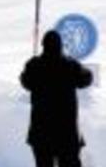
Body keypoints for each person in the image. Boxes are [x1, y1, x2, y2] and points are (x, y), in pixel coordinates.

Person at [20, 30, 93, 167]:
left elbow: (25, 81)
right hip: (67, 133)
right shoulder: (70, 65)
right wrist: (80, 67)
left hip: (41, 132)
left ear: (43, 45)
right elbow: (87, 79)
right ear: (60, 45)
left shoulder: (34, 65)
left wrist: (32, 65)